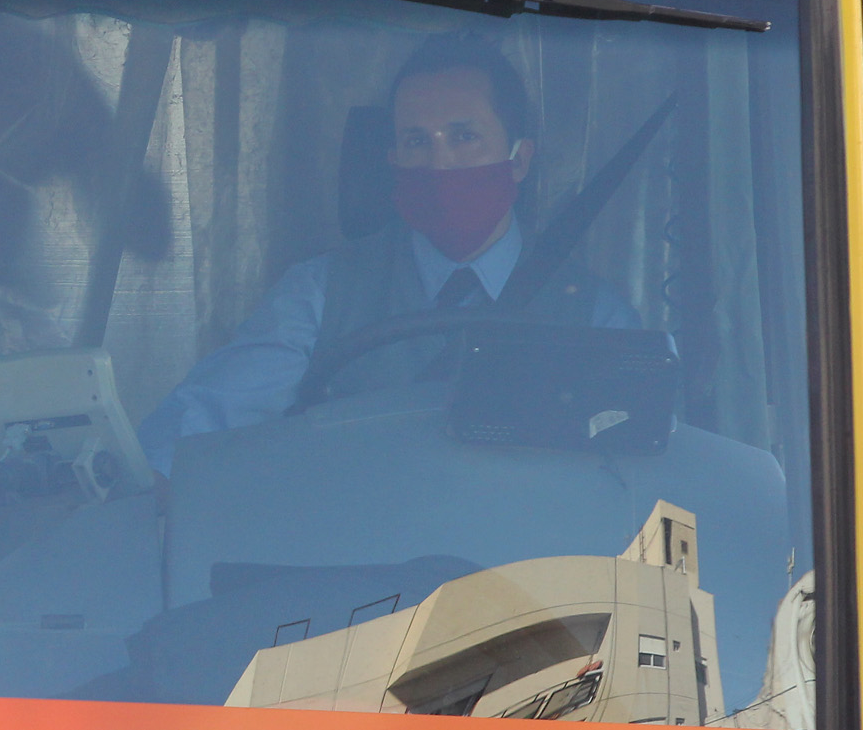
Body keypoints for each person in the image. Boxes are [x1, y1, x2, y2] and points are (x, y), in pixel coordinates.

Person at [138, 36, 639, 473]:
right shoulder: (319, 294)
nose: (439, 161)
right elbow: (192, 438)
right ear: (394, 161)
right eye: (417, 141)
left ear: (520, 159)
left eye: (463, 137)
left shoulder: (596, 316)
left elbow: (639, 481)